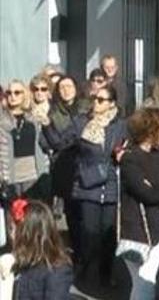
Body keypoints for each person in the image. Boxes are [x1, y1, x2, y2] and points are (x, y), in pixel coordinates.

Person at [68, 84, 127, 291]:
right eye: (95, 98)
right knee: (89, 233)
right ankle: (86, 273)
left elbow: (127, 147)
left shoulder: (120, 125)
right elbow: (66, 143)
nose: (96, 103)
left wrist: (122, 155)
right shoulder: (82, 122)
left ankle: (106, 274)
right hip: (88, 185)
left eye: (101, 100)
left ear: (112, 103)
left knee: (108, 235)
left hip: (110, 185)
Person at [119, 108, 159, 299]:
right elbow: (147, 194)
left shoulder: (157, 155)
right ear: (150, 129)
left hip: (157, 223)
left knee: (146, 279)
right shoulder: (130, 159)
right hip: (137, 229)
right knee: (144, 280)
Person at [43, 75, 89, 259]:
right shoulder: (52, 112)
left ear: (76, 88)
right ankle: (78, 252)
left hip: (85, 164)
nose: (66, 90)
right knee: (71, 213)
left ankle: (88, 252)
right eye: (61, 87)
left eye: (69, 86)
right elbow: (54, 141)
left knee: (86, 214)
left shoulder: (86, 108)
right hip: (64, 165)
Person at [6, 198, 73, 299]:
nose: (11, 235)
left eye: (13, 229)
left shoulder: (56, 271)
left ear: (30, 235)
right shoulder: (19, 261)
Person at [0, 80, 51, 201]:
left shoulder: (33, 119)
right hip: (10, 177)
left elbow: (43, 145)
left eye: (17, 92)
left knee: (33, 216)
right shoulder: (2, 120)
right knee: (13, 216)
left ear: (25, 95)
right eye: (9, 93)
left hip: (34, 175)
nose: (13, 96)